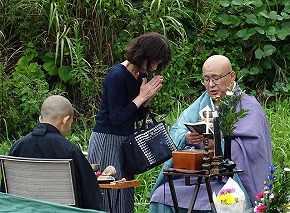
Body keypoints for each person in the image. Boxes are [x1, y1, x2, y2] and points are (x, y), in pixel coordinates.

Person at [149, 55, 272, 212]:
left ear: (232, 76)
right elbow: (176, 131)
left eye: (216, 78)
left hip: (232, 178)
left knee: (223, 201)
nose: (211, 85)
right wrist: (187, 138)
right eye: (206, 79)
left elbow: (254, 148)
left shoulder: (248, 106)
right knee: (162, 195)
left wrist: (219, 145)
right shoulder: (202, 102)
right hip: (200, 175)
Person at [87, 32, 171, 213]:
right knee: (109, 194)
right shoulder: (117, 75)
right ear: (143, 55)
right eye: (153, 62)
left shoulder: (139, 75)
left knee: (124, 194)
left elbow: (136, 116)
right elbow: (117, 118)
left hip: (125, 141)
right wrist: (141, 97)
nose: (155, 67)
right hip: (107, 139)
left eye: (158, 64)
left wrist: (146, 99)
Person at [0, 95, 103, 211]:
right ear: (65, 120)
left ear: (40, 118)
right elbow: (92, 200)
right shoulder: (70, 151)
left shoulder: (17, 147)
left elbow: (6, 195)